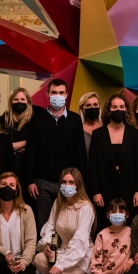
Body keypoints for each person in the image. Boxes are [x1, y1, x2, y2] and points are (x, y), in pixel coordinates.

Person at [26, 79, 87, 231]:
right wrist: (30, 180)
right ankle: (46, 254)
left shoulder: (75, 119)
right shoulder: (37, 119)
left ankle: (64, 254)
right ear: (47, 94)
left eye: (61, 93)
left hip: (68, 183)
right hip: (42, 183)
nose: (57, 96)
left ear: (66, 94)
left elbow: (80, 152)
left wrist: (80, 183)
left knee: (68, 225)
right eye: (54, 92)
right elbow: (31, 151)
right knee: (45, 226)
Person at [33, 168, 96, 274]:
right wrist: (48, 246)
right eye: (64, 182)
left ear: (78, 185)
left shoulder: (86, 208)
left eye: (71, 182)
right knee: (39, 259)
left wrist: (61, 265)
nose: (67, 186)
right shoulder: (58, 203)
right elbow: (50, 228)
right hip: (63, 249)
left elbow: (80, 241)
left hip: (82, 255)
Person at [88, 93, 138, 228]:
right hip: (105, 188)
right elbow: (92, 165)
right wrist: (96, 192)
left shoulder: (133, 133)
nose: (118, 110)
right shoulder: (98, 134)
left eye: (121, 106)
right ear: (109, 110)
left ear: (126, 110)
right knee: (104, 225)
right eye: (114, 107)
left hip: (129, 189)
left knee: (129, 227)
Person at [91, 198, 132, 274]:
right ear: (108, 215)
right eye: (113, 212)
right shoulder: (101, 235)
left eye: (121, 212)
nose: (117, 215)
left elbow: (137, 253)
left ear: (127, 215)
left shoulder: (131, 233)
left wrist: (130, 262)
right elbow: (95, 262)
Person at [6, 88, 33, 193]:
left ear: (28, 101)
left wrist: (12, 147)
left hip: (27, 169)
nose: (19, 102)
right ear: (11, 102)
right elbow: (3, 145)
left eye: (22, 99)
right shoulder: (5, 118)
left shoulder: (34, 119)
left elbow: (37, 143)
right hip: (10, 167)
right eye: (16, 99)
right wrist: (26, 143)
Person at [79, 91, 102, 157]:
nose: (92, 107)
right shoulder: (78, 129)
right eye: (88, 105)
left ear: (99, 107)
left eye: (95, 104)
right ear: (82, 109)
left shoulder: (106, 127)